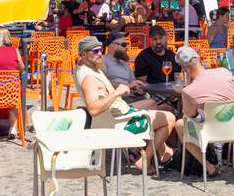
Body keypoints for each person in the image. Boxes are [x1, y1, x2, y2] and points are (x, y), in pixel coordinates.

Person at [72, 36, 172, 170]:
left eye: (100, 50)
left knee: (152, 103)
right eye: (95, 52)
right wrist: (116, 92)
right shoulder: (88, 77)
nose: (100, 53)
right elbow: (93, 109)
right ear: (83, 54)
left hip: (118, 112)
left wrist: (126, 88)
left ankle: (154, 151)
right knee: (169, 118)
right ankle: (145, 159)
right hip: (119, 123)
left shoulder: (87, 68)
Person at [173, 46, 234, 177]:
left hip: (211, 132)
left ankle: (208, 166)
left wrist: (187, 86)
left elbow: (189, 117)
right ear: (199, 59)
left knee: (180, 125)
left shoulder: (189, 91)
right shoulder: (224, 72)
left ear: (183, 68)